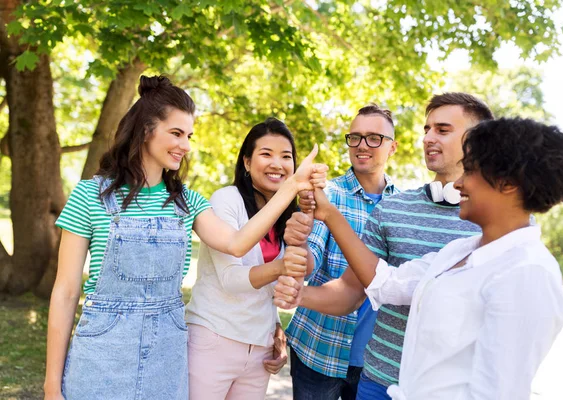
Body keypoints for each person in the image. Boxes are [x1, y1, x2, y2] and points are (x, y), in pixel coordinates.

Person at [44, 75, 326, 400]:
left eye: (189, 135)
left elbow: (237, 242)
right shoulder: (89, 196)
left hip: (167, 357)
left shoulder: (187, 202)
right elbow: (65, 293)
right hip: (101, 353)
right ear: (145, 131)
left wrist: (292, 187)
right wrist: (52, 385)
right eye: (176, 133)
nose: (186, 146)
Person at [278, 117, 563, 399]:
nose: (459, 183)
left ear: (508, 184)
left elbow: (495, 392)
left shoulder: (528, 274)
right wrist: (328, 214)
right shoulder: (459, 252)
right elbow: (386, 283)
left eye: (471, 170)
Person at [282, 92, 492, 398]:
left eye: (442, 130)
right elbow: (351, 288)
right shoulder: (392, 210)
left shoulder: (496, 219)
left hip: (448, 386)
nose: (428, 138)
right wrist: (297, 274)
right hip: (367, 373)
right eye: (427, 129)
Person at [185, 117, 325, 399]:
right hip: (213, 341)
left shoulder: (287, 215)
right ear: (247, 163)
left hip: (260, 351)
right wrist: (281, 267)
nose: (277, 163)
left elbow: (275, 287)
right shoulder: (227, 200)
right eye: (266, 154)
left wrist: (275, 330)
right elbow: (231, 279)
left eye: (286, 156)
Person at [285, 104, 399, 400]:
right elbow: (311, 255)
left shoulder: (401, 206)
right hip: (319, 347)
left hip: (375, 362)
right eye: (355, 137)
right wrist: (299, 254)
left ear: (393, 147)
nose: (362, 145)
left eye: (374, 138)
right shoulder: (328, 195)